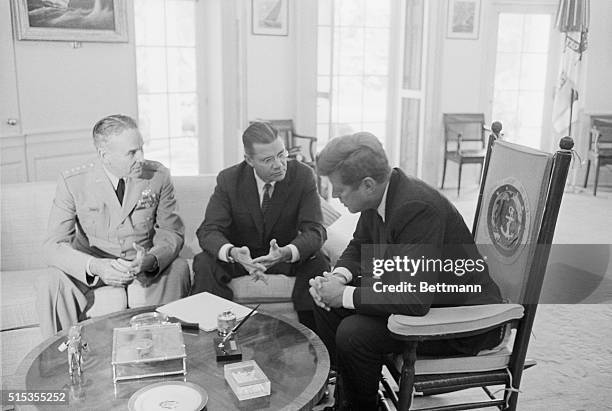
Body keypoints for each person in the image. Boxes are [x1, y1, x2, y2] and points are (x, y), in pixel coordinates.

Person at [310, 132, 504, 410]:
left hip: (461, 320)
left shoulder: (417, 209)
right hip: (423, 298)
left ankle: (361, 406)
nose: (335, 195)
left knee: (354, 332)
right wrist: (337, 279)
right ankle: (355, 395)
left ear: (367, 185)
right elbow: (360, 244)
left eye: (338, 189)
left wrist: (343, 296)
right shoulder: (380, 193)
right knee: (326, 307)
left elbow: (413, 300)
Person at [38, 114, 190, 338]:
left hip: (144, 269)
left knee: (179, 268)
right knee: (50, 280)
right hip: (95, 272)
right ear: (104, 155)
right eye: (132, 152)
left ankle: (169, 349)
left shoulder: (157, 175)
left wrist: (150, 260)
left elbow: (171, 232)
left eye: (141, 148)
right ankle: (65, 356)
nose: (141, 158)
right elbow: (53, 245)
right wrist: (96, 266)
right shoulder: (74, 182)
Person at [192, 122, 329, 330]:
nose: (279, 164)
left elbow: (315, 230)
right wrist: (233, 253)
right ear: (249, 160)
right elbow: (208, 231)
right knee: (204, 262)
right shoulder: (229, 180)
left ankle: (313, 338)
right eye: (268, 160)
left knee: (319, 261)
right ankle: (213, 335)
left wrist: (286, 252)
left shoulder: (302, 176)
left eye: (281, 154)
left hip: (282, 256)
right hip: (242, 258)